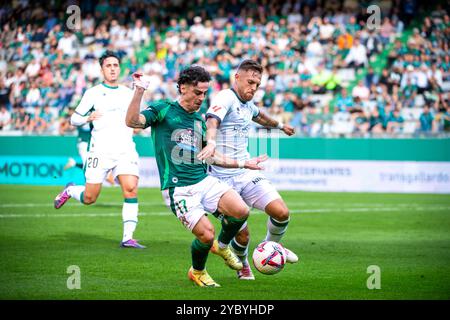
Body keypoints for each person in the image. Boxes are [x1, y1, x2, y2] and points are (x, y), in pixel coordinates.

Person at [126, 65, 267, 287]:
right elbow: (132, 122)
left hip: (204, 181)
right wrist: (139, 91)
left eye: (204, 93)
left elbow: (210, 156)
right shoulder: (163, 110)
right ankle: (198, 271)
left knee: (241, 211)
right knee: (206, 235)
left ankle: (221, 247)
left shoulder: (200, 121)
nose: (202, 98)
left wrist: (243, 163)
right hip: (178, 188)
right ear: (183, 88)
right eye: (197, 92)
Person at [197, 59, 299, 281]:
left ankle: (269, 248)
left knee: (281, 213)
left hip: (246, 172)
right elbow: (212, 120)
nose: (253, 87)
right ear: (237, 77)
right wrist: (211, 142)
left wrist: (281, 126)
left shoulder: (248, 105)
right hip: (220, 178)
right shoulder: (225, 97)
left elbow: (260, 116)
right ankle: (244, 266)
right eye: (250, 81)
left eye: (257, 84)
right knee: (242, 236)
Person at [53, 51, 144, 249]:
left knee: (130, 189)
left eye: (116, 65)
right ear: (102, 69)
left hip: (125, 149)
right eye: (108, 65)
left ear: (120, 68)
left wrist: (139, 94)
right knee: (90, 198)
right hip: (100, 150)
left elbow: (137, 121)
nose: (112, 68)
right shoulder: (93, 93)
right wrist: (87, 118)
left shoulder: (128, 93)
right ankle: (71, 189)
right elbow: (73, 119)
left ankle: (128, 237)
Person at [63, 121, 116, 185]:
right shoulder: (85, 117)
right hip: (84, 143)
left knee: (93, 164)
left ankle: (74, 164)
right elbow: (76, 124)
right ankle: (89, 183)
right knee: (88, 165)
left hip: (92, 144)